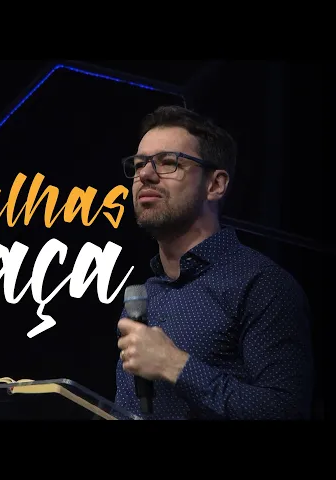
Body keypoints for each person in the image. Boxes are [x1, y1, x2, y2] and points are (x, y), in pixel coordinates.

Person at [114, 105, 314, 420]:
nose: (145, 175)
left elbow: (285, 410)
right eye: (139, 164)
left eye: (168, 162)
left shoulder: (260, 283)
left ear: (215, 185)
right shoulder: (144, 297)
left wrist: (174, 365)